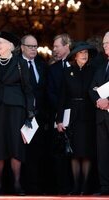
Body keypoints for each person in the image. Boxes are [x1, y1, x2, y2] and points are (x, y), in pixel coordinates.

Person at [0, 31, 34, 195]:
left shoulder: (21, 63)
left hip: (16, 110)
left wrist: (30, 113)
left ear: (10, 46)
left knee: (16, 146)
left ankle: (17, 184)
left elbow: (28, 90)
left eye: (0, 42)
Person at [56, 41, 97, 195]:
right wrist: (59, 120)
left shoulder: (93, 71)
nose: (84, 55)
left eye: (86, 53)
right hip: (72, 116)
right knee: (74, 153)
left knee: (86, 152)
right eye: (81, 53)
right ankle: (75, 186)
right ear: (75, 56)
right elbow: (62, 97)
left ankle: (85, 187)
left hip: (89, 115)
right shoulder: (67, 72)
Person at [20, 34, 49, 194]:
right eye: (30, 46)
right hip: (22, 116)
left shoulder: (41, 65)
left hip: (39, 117)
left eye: (35, 46)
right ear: (22, 47)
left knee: (37, 153)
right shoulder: (16, 64)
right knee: (22, 152)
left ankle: (36, 187)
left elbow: (44, 90)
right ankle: (22, 186)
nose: (33, 49)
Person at [47, 33, 72, 194]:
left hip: (77, 116)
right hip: (58, 117)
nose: (54, 49)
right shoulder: (53, 69)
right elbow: (50, 93)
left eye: (57, 46)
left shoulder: (78, 65)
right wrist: (60, 113)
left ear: (67, 46)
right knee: (58, 154)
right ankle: (61, 188)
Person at [89, 31, 109, 195]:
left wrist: (108, 101)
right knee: (103, 152)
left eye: (108, 43)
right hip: (101, 116)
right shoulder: (101, 67)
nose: (105, 46)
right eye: (104, 43)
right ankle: (105, 187)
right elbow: (92, 88)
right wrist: (98, 100)